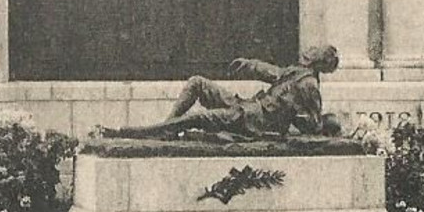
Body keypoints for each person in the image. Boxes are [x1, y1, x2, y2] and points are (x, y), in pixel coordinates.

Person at [101, 44, 342, 140]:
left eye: (315, 52)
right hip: (245, 106)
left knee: (196, 119)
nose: (309, 51)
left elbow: (313, 125)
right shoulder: (296, 72)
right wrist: (247, 63)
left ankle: (131, 132)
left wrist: (309, 120)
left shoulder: (309, 86)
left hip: (251, 121)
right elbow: (270, 71)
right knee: (197, 83)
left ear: (320, 61)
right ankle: (167, 128)